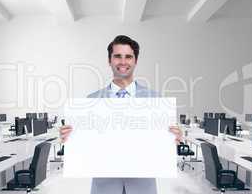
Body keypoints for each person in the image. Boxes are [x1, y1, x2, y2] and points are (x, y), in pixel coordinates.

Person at [60, 35, 182, 194]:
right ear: (109, 60)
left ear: (135, 61)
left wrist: (174, 138)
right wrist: (69, 137)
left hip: (142, 186)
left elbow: (162, 145)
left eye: (128, 57)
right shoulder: (91, 101)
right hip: (104, 187)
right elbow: (85, 145)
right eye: (117, 56)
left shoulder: (156, 100)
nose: (123, 62)